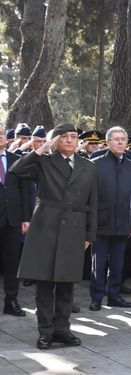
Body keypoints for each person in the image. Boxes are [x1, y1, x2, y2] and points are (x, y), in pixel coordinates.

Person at [10, 123, 97, 349]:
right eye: (64, 136)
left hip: (75, 229)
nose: (70, 140)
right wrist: (39, 150)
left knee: (67, 283)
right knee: (45, 284)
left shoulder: (88, 167)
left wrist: (90, 234)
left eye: (73, 137)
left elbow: (94, 204)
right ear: (55, 140)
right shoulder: (44, 162)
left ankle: (63, 330)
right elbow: (16, 170)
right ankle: (45, 332)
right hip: (45, 227)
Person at [88, 126, 131, 311]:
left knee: (118, 263)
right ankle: (97, 297)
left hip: (123, 221)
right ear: (107, 142)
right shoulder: (96, 163)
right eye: (116, 139)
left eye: (123, 139)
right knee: (98, 263)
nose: (120, 142)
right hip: (101, 221)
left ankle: (114, 295)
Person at [0, 126, 31, 317]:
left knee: (12, 263)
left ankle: (11, 301)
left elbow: (25, 191)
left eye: (2, 133)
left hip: (13, 220)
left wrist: (26, 218)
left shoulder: (15, 160)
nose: (0, 137)